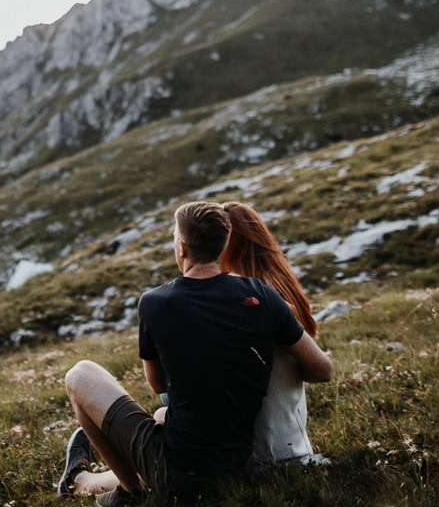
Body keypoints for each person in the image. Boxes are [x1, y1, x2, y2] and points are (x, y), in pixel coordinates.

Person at [56, 202, 333, 504]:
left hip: (185, 470)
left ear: (183, 248)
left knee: (80, 374)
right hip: (239, 461)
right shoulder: (264, 295)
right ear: (222, 244)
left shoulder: (155, 303)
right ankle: (86, 481)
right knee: (163, 418)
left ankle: (129, 492)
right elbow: (324, 370)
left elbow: (158, 385)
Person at [221, 201, 321, 465]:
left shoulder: (239, 298)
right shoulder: (283, 291)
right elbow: (314, 370)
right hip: (294, 441)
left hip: (257, 452)